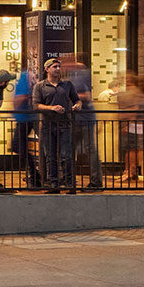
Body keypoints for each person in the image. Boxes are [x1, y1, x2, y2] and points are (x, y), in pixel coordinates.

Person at [32, 58, 79, 193]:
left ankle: (69, 184)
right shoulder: (40, 86)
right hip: (47, 124)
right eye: (55, 67)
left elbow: (77, 100)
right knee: (50, 156)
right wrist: (51, 108)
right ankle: (54, 184)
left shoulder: (67, 85)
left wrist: (77, 105)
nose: (58, 69)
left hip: (65, 123)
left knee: (66, 155)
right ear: (47, 69)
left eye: (59, 67)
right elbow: (36, 105)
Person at [63, 54, 104, 190]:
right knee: (70, 150)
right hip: (75, 120)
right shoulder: (72, 76)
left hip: (84, 119)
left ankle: (96, 181)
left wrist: (68, 96)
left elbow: (87, 96)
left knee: (89, 149)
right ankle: (69, 180)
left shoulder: (82, 75)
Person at [116, 73, 144, 182]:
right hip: (133, 124)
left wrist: (129, 123)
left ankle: (129, 171)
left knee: (131, 149)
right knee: (134, 149)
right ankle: (131, 171)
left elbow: (135, 109)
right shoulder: (135, 92)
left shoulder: (135, 93)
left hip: (132, 124)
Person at [11, 56, 38, 188]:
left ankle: (35, 175)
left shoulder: (24, 76)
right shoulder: (31, 77)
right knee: (21, 146)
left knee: (17, 146)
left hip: (24, 118)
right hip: (28, 117)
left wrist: (15, 108)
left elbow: (22, 97)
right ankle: (35, 175)